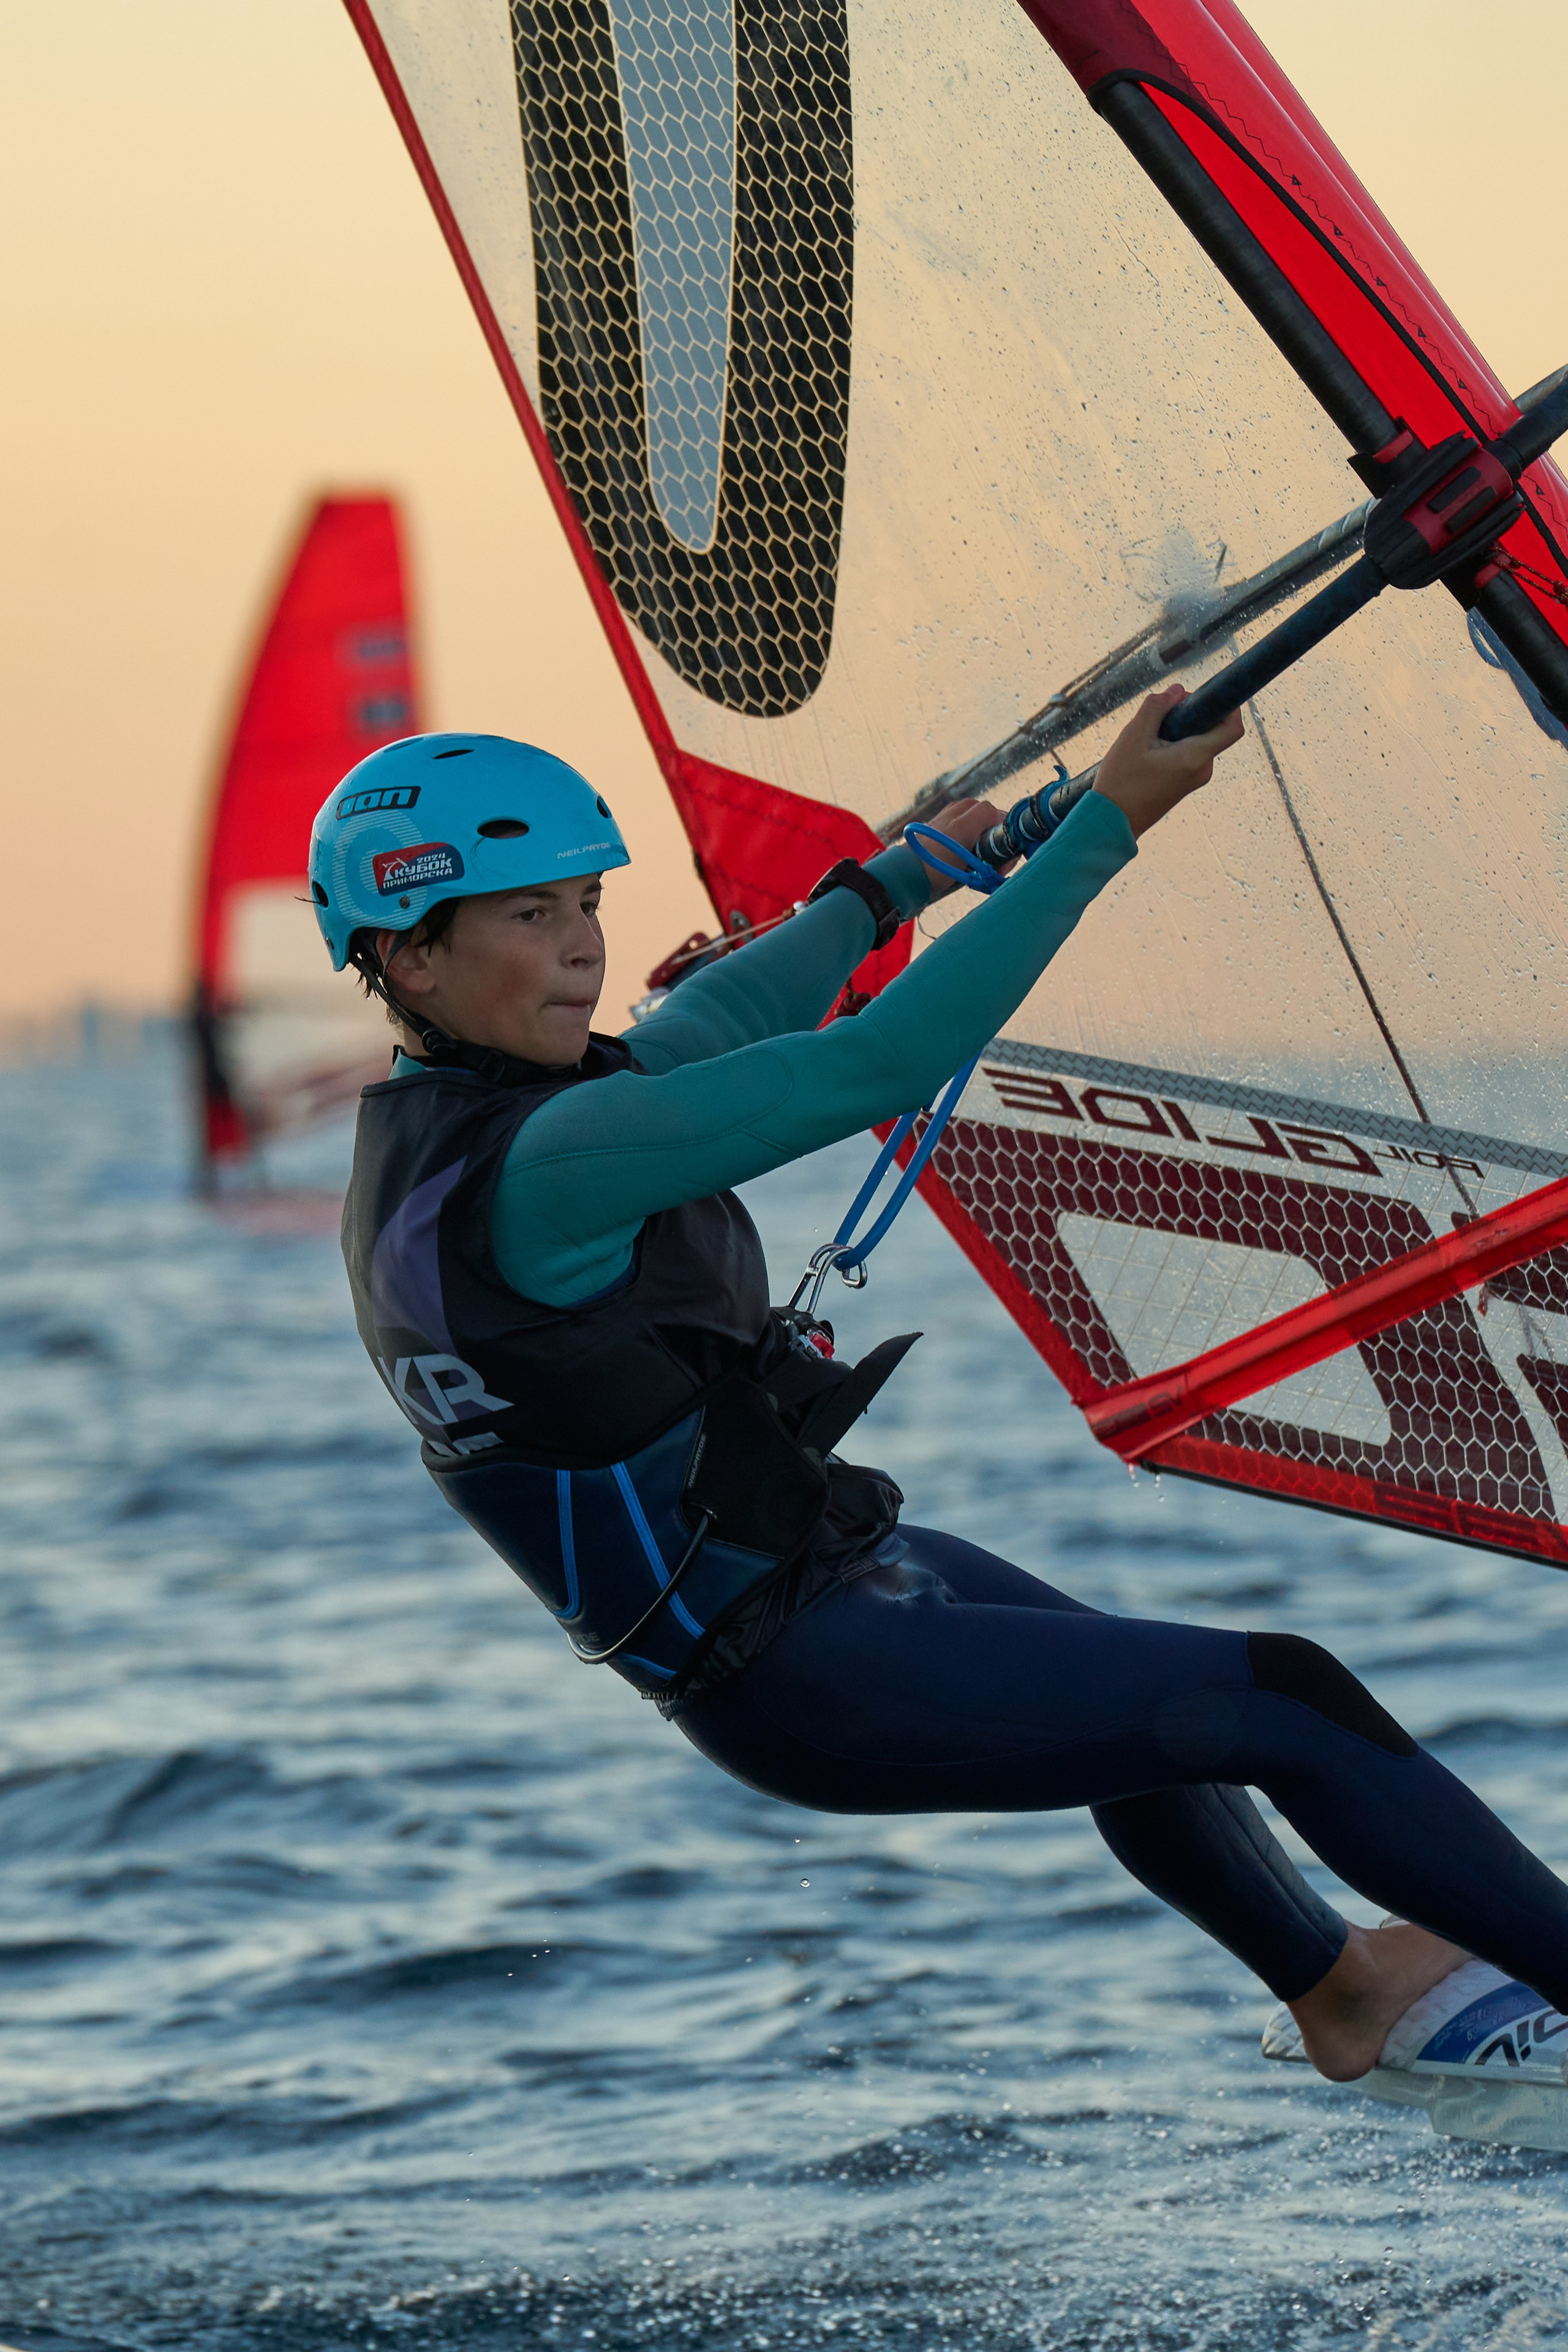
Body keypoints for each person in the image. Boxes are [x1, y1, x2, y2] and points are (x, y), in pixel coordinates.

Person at [310, 686, 1568, 2086]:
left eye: (585, 902)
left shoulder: (453, 1129)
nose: (583, 949)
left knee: (1160, 1723)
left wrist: (904, 876)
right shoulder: (544, 1164)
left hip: (827, 1577)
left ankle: (1333, 1987)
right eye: (528, 919)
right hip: (799, 1668)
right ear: (407, 957)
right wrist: (1103, 827)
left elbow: (711, 1018)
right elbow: (882, 1062)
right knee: (1283, 1698)